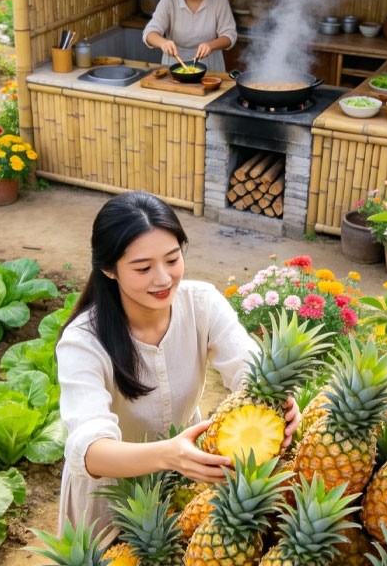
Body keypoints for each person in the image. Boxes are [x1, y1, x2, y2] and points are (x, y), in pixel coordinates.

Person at [56, 191, 298, 535]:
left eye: (172, 259)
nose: (163, 278)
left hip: (188, 480)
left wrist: (280, 404)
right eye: (143, 268)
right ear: (109, 269)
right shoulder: (83, 341)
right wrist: (170, 455)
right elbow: (89, 450)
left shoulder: (202, 303)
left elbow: (248, 367)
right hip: (110, 495)